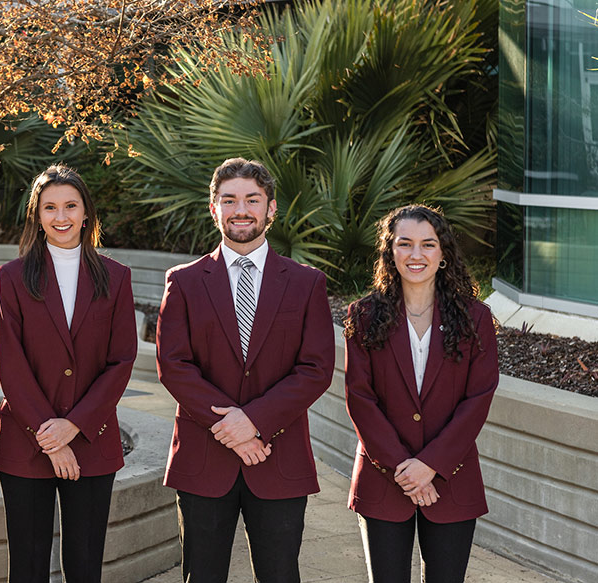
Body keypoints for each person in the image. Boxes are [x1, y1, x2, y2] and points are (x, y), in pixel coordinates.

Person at [156, 157, 335, 583]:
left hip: (278, 459)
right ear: (213, 208)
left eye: (253, 200)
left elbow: (315, 368)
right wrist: (232, 426)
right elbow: (173, 366)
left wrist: (252, 421)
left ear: (271, 209)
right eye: (230, 200)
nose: (241, 210)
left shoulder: (307, 283)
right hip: (203, 460)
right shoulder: (183, 281)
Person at [0, 164, 137, 583]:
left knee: (86, 565)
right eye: (50, 207)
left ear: (86, 213)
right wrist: (49, 436)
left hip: (92, 441)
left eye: (70, 206)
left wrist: (73, 426)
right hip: (26, 442)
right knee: (27, 565)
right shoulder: (13, 277)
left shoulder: (116, 276)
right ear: (36, 215)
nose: (61, 217)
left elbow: (121, 361)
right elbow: (10, 363)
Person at [343, 204, 499, 583]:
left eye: (428, 244)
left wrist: (430, 465)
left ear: (443, 253)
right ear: (390, 251)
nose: (416, 255)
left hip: (451, 478)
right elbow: (359, 399)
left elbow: (478, 399)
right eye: (405, 244)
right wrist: (403, 466)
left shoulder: (475, 317)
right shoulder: (363, 317)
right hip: (383, 478)